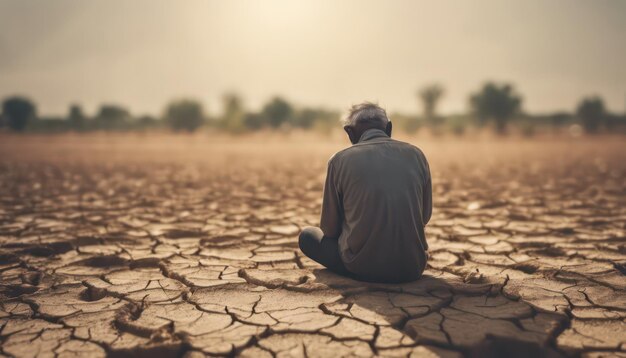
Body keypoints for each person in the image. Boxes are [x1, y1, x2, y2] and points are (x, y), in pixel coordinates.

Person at [299, 102, 432, 283]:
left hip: (363, 268)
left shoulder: (339, 160)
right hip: (412, 267)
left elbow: (329, 230)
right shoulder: (417, 154)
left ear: (350, 133)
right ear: (389, 128)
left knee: (308, 237)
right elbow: (424, 216)